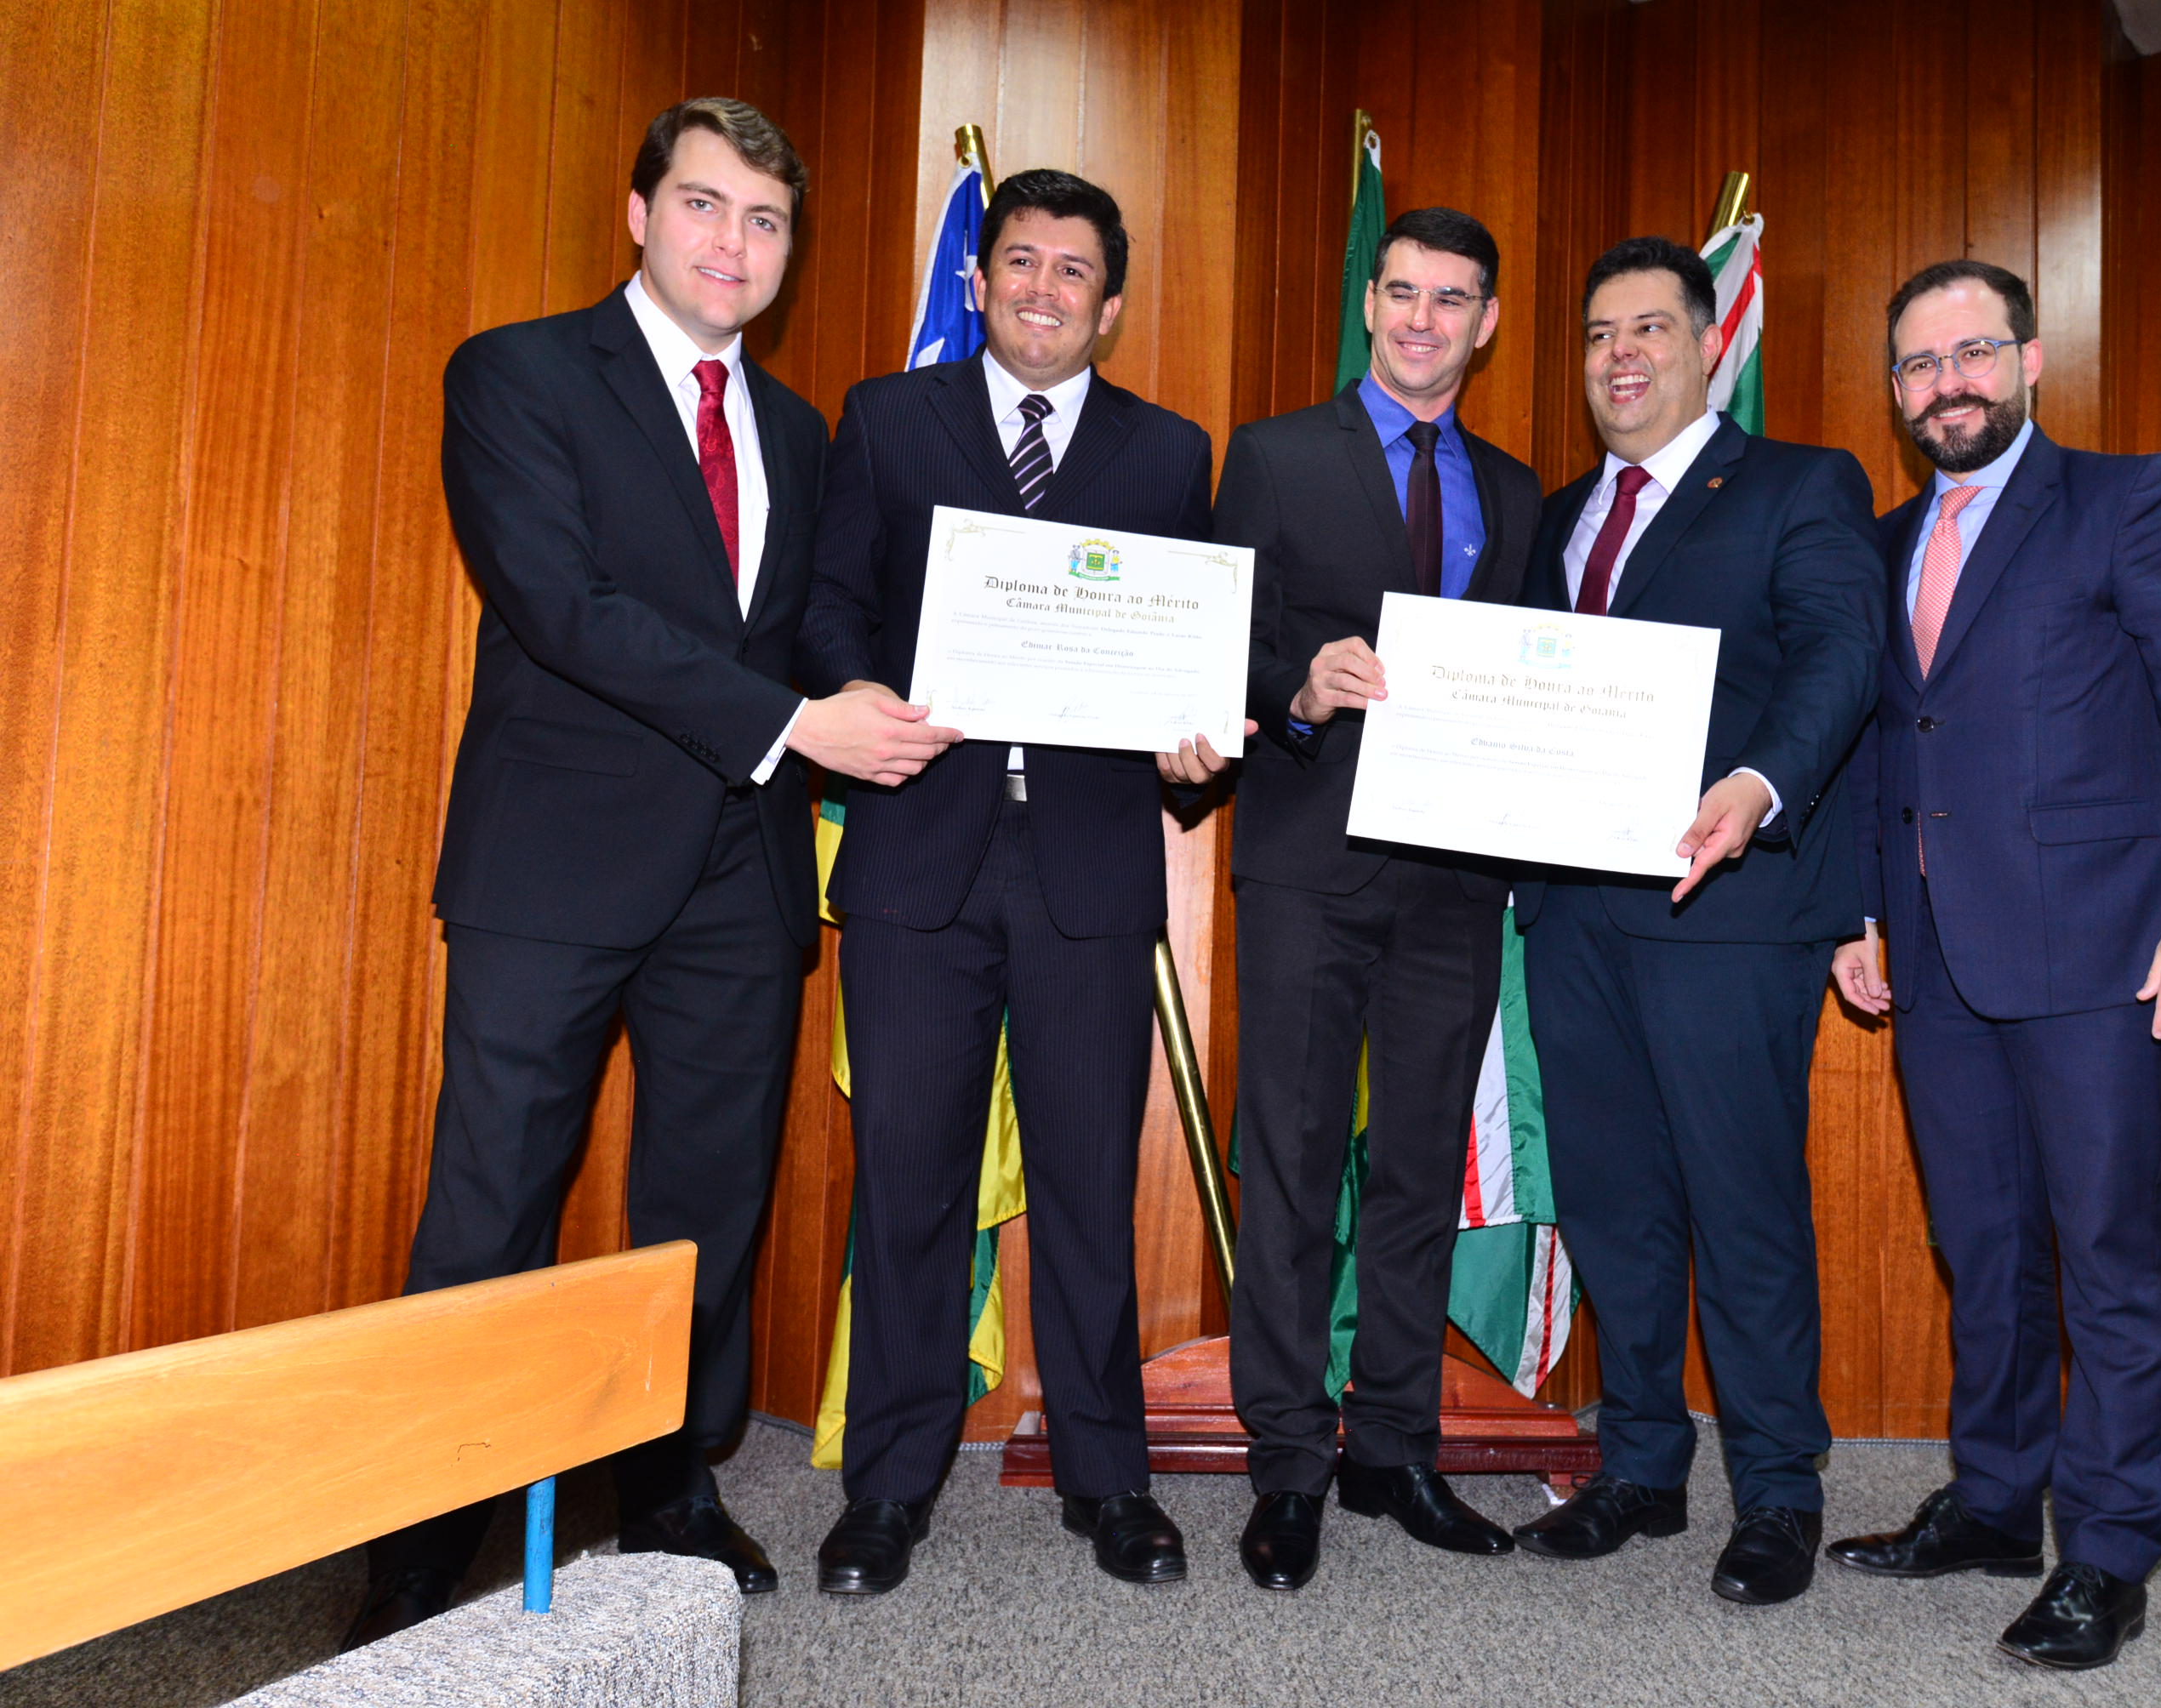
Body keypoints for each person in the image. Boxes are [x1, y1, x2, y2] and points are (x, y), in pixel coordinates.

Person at [344, 97, 901, 1648]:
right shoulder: (516, 374)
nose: (735, 243)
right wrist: (798, 724)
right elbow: (561, 603)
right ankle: (425, 1521)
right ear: (641, 214)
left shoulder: (797, 431)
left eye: (766, 221)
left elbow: (802, 632)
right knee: (492, 1201)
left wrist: (907, 692)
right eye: (706, 206)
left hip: (741, 874)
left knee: (705, 1205)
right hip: (555, 862)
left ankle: (668, 1486)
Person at [1825, 259, 2161, 1670]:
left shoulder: (2130, 499)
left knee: (2110, 1255)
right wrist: (1860, 911)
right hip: (1936, 957)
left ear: (2027, 361)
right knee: (1985, 1250)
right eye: (1919, 364)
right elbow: (1885, 745)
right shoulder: (1885, 542)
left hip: (2102, 952)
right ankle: (1993, 1505)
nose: (1946, 382)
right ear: (1897, 393)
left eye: (1971, 352)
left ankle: (2111, 1552)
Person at [797, 168, 1228, 1596]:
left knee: (1089, 1190)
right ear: (978, 283)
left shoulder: (1169, 454)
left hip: (1089, 873)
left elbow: (1187, 659)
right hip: (919, 855)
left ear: (1111, 306)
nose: (1045, 290)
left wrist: (1193, 742)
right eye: (1022, 263)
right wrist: (859, 691)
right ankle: (890, 1484)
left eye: (1074, 271)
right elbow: (830, 605)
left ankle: (1109, 1479)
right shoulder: (888, 418)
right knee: (908, 1185)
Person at [1506, 236, 1885, 1607]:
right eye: (1600, 333)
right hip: (1575, 919)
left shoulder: (1799, 483)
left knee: (1743, 1206)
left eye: (1652, 328)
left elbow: (1844, 652)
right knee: (1614, 1206)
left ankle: (1778, 1489)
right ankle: (1643, 1466)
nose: (1622, 356)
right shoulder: (1556, 514)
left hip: (1726, 906)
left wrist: (1760, 782)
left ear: (1710, 343)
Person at [1214, 208, 1543, 1591]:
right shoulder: (1275, 454)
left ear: (1487, 323)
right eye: (1402, 292)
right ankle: (1289, 1462)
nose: (1422, 319)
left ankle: (1393, 1449)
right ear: (1369, 302)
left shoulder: (1520, 492)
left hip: (1456, 880)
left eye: (1451, 299)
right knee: (1293, 1165)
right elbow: (1224, 643)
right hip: (1308, 861)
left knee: (1418, 1170)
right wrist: (1296, 688)